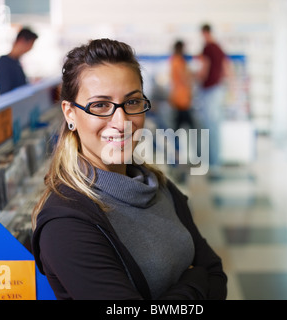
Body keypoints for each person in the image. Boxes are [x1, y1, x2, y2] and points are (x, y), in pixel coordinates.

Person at [31, 38, 228, 300]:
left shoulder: (158, 186)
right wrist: (194, 281)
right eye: (100, 105)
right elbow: (207, 278)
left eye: (132, 102)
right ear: (70, 113)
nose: (121, 121)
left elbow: (217, 276)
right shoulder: (67, 223)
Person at [197, 24, 230, 176]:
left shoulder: (208, 48)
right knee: (215, 126)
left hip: (209, 90)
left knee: (210, 127)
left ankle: (212, 162)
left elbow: (204, 69)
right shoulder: (218, 47)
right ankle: (215, 161)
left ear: (204, 33)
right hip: (218, 89)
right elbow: (226, 67)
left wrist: (195, 79)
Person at [0, 27, 38, 95]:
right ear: (22, 41)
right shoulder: (3, 62)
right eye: (30, 45)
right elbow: (6, 91)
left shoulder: (16, 62)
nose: (30, 49)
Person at [169, 40, 194, 131]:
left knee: (179, 124)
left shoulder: (174, 60)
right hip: (182, 97)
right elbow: (184, 78)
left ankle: (174, 142)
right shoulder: (178, 61)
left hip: (178, 96)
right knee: (190, 126)